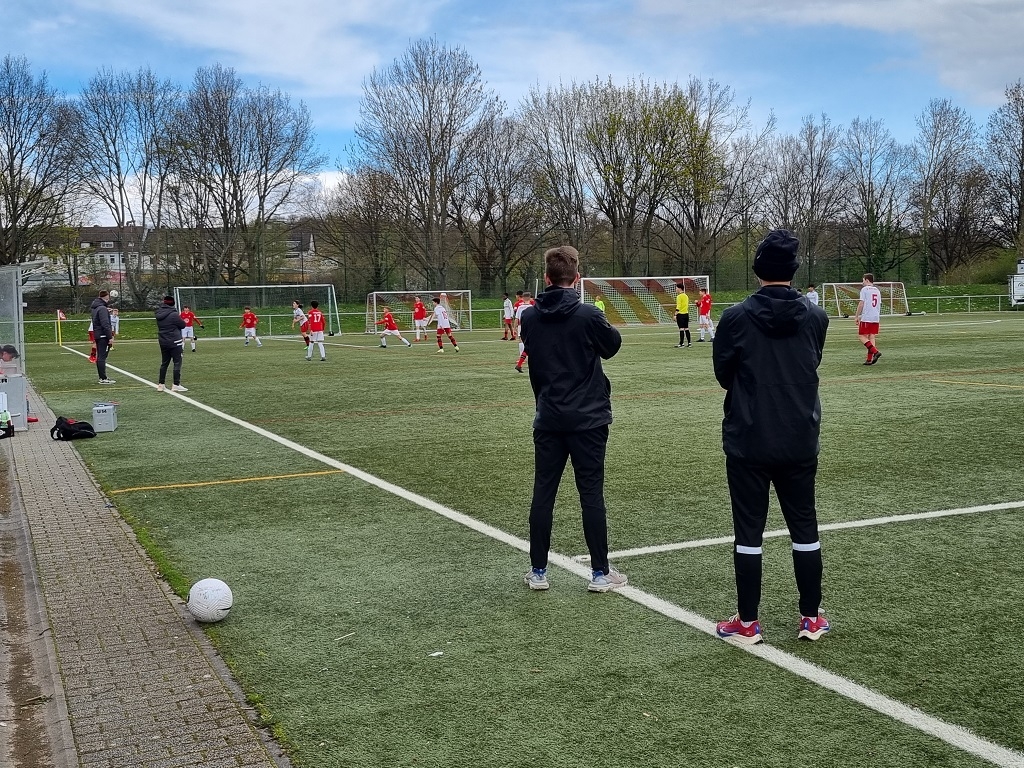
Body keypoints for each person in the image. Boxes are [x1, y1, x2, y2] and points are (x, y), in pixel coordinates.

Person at [712, 229, 830, 645]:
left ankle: (748, 623)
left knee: (749, 531)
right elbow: (812, 361)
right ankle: (811, 617)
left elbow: (724, 374)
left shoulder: (735, 317)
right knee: (805, 526)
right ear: (793, 270)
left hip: (749, 437)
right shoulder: (816, 316)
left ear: (758, 269)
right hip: (799, 436)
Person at [521, 245, 626, 593]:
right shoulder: (588, 315)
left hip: (549, 416)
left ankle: (538, 571)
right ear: (577, 278)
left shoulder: (529, 317)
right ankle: (599, 573)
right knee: (591, 493)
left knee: (544, 492)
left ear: (546, 278)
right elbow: (612, 346)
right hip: (588, 419)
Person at [155, 296, 187, 393]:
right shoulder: (173, 314)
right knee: (177, 362)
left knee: (164, 363)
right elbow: (183, 325)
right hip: (174, 341)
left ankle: (161, 384)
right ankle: (176, 384)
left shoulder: (158, 313)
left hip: (163, 341)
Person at [855, 274, 882, 365]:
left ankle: (875, 352)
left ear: (867, 280)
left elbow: (861, 303)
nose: (862, 282)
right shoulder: (877, 290)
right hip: (876, 316)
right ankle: (869, 359)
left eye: (863, 280)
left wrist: (857, 316)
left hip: (867, 316)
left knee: (862, 336)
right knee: (871, 336)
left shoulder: (865, 289)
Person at [90, 290, 115, 384]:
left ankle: (102, 377)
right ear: (106, 297)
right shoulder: (102, 308)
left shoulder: (96, 308)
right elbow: (105, 324)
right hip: (103, 335)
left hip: (98, 334)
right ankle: (103, 378)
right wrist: (110, 336)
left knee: (100, 356)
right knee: (102, 356)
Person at [514, 292, 534, 372]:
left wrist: (514, 328)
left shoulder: (520, 307)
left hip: (521, 326)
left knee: (522, 342)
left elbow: (517, 319)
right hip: (530, 327)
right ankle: (522, 363)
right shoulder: (532, 307)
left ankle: (520, 363)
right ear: (530, 298)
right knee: (531, 345)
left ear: (523, 298)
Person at [674, 283, 691, 348]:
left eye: (676, 288)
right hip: (686, 314)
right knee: (686, 328)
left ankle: (681, 343)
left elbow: (679, 306)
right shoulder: (686, 296)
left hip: (680, 314)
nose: (676, 289)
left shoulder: (679, 296)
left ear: (679, 288)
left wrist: (675, 314)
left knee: (681, 329)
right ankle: (689, 343)